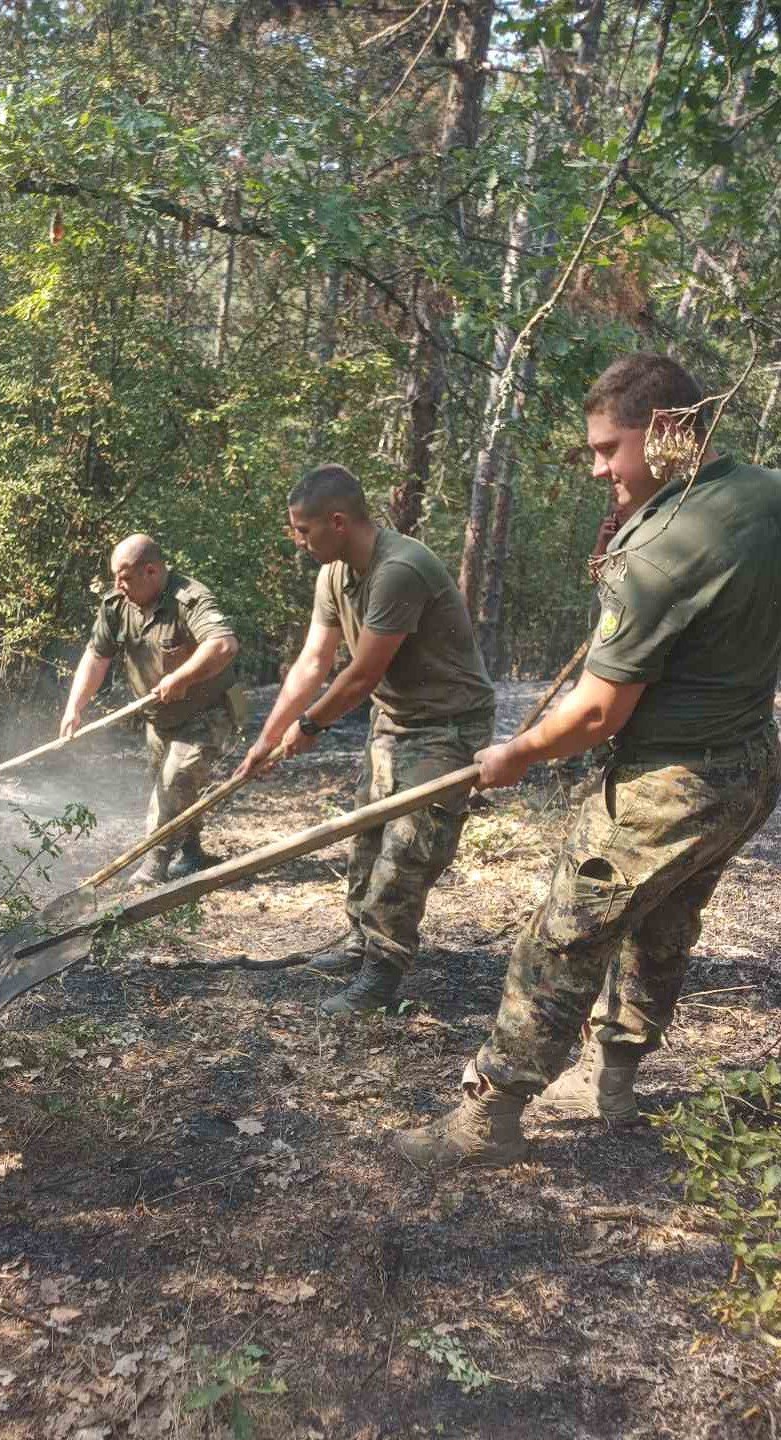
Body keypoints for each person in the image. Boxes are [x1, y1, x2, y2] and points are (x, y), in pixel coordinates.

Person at [396, 352, 781, 1169]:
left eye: (610, 448)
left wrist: (517, 753)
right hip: (748, 767)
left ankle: (488, 1117)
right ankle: (615, 1081)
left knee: (564, 935)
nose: (598, 468)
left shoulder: (664, 547)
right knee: (664, 926)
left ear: (673, 429)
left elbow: (602, 711)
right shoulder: (764, 494)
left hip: (669, 782)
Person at [236, 464, 495, 1017]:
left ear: (337, 521)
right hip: (394, 722)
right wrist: (269, 736)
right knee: (367, 835)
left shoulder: (400, 568)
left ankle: (382, 971)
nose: (299, 541)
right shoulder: (333, 574)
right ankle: (359, 939)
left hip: (448, 726)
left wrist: (309, 728)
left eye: (304, 530)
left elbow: (361, 674)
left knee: (407, 850)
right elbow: (313, 662)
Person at [59, 534, 242, 884]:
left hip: (207, 714)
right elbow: (96, 658)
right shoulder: (117, 606)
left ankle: (152, 867)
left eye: (125, 577)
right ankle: (191, 853)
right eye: (116, 576)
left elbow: (223, 645)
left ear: (152, 571)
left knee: (174, 782)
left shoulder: (189, 599)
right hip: (159, 720)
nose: (118, 584)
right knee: (168, 784)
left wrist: (184, 677)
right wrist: (75, 707)